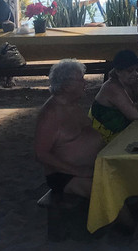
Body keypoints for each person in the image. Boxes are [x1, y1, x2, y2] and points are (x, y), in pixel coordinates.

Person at [34, 59, 106, 199]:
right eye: (81, 79)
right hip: (66, 175)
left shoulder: (72, 104)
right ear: (66, 86)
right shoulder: (51, 113)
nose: (85, 82)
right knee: (106, 194)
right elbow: (41, 154)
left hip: (88, 169)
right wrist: (78, 171)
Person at [90, 49, 138, 140]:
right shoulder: (112, 86)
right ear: (118, 72)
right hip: (105, 139)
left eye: (137, 69)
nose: (135, 74)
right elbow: (136, 115)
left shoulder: (133, 82)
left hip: (123, 132)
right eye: (130, 70)